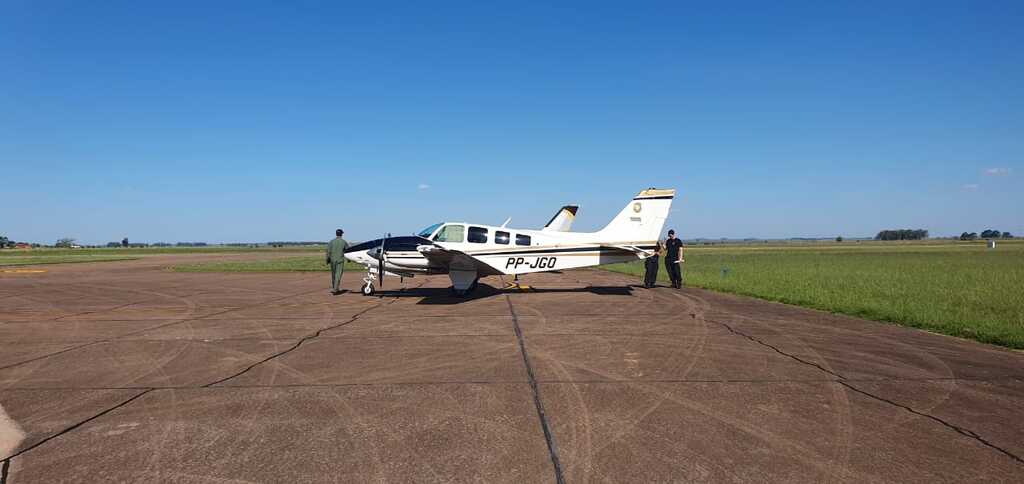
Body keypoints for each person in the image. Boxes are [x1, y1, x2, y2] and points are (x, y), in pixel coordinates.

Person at [326, 229, 349, 294]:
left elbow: (328, 251)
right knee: (338, 275)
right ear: (341, 234)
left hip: (332, 260)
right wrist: (349, 259)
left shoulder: (331, 242)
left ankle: (334, 288)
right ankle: (335, 289)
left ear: (336, 234)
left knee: (333, 275)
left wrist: (327, 260)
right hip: (340, 261)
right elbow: (348, 251)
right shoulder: (344, 242)